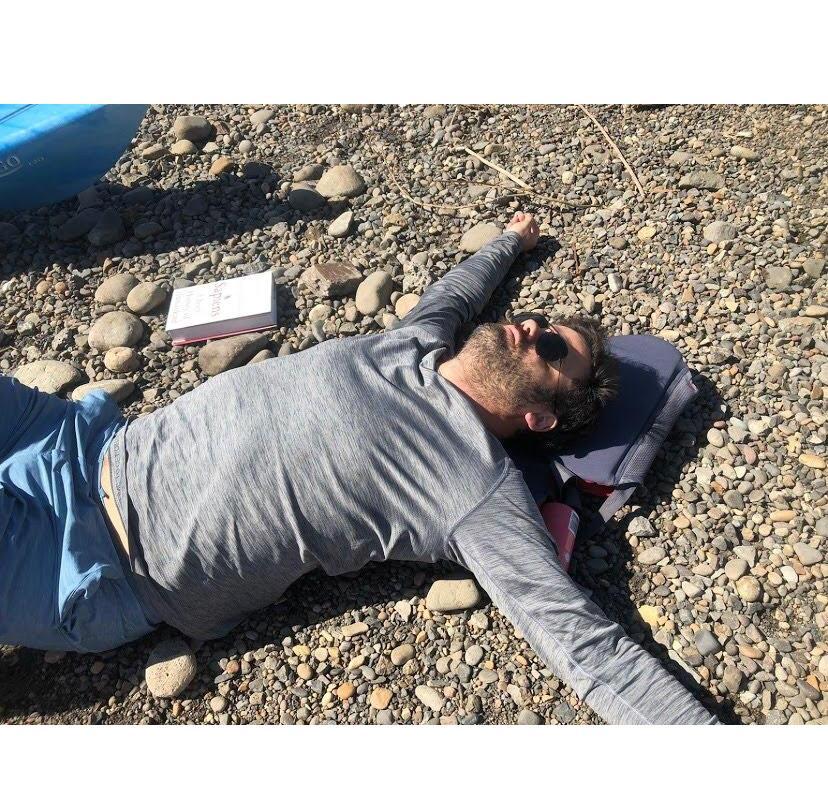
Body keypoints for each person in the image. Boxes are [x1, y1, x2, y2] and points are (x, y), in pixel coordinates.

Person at [0, 212, 718, 725]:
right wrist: (511, 242)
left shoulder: (474, 486)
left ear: (542, 419)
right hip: (77, 440)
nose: (530, 327)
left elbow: (582, 642)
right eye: (539, 320)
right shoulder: (418, 342)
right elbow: (457, 295)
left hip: (98, 563)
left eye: (552, 351)